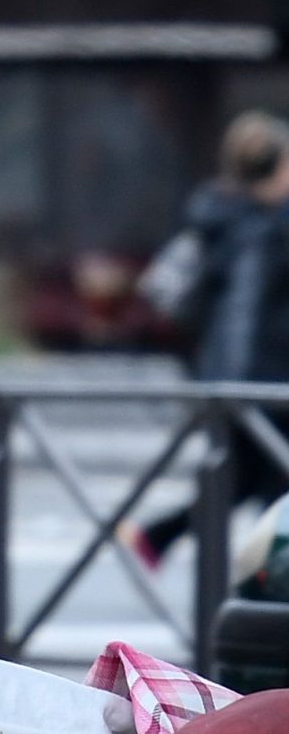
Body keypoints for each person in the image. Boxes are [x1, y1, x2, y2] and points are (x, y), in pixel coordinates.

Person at [123, 111, 289, 569]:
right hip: (262, 381)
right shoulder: (267, 229)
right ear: (276, 168)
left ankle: (158, 537)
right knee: (270, 483)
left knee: (242, 482)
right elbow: (247, 315)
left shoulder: (218, 215)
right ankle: (263, 586)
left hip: (230, 377)